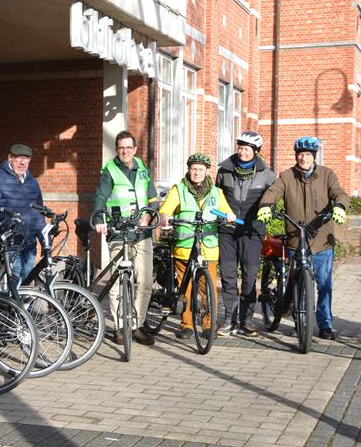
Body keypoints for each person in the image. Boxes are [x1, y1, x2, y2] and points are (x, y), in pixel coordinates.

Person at [258, 136, 350, 340]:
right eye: (300, 154)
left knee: (325, 285)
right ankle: (301, 321)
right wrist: (266, 205)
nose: (303, 158)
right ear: (296, 156)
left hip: (321, 240)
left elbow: (339, 193)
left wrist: (341, 207)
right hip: (295, 238)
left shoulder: (327, 174)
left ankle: (325, 324)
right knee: (299, 282)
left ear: (313, 156)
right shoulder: (287, 176)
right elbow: (273, 191)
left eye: (307, 154)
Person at [92, 130, 159, 346]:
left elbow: (153, 198)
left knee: (145, 281)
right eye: (121, 148)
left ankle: (137, 325)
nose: (125, 151)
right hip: (119, 232)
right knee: (118, 282)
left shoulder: (142, 169)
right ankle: (121, 327)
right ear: (117, 149)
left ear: (135, 149)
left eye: (129, 148)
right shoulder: (109, 170)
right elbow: (100, 198)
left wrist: (149, 215)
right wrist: (100, 219)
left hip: (142, 234)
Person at [159, 153, 233, 339]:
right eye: (194, 169)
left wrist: (229, 217)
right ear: (189, 170)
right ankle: (187, 325)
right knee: (188, 288)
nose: (197, 172)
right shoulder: (179, 189)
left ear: (207, 171)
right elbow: (166, 209)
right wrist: (165, 217)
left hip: (208, 247)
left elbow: (227, 212)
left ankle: (209, 325)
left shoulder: (216, 192)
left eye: (201, 169)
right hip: (185, 247)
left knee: (208, 289)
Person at [215, 131, 276, 337]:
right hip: (227, 231)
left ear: (255, 152)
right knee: (228, 275)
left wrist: (270, 211)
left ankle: (247, 320)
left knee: (249, 277)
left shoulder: (267, 174)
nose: (242, 152)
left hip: (253, 231)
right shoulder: (224, 171)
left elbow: (272, 201)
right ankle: (228, 320)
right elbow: (216, 197)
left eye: (247, 149)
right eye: (240, 147)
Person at [0, 144, 45, 284]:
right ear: (10, 158)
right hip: (9, 245)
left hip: (29, 245)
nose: (22, 162)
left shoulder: (33, 183)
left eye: (26, 159)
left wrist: (44, 241)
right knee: (15, 285)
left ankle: (24, 307)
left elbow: (38, 214)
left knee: (26, 286)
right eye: (19, 158)